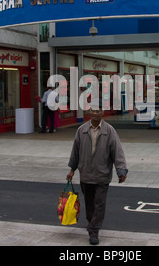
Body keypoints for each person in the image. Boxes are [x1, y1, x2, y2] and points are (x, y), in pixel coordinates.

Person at [66, 102, 128, 245]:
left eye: (98, 111)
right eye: (92, 110)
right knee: (89, 203)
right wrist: (71, 170)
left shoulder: (109, 131)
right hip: (86, 174)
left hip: (102, 175)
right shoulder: (81, 130)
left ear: (102, 113)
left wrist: (121, 170)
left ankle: (94, 230)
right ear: (89, 112)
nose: (94, 113)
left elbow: (117, 152)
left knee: (99, 203)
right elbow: (75, 152)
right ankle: (91, 222)